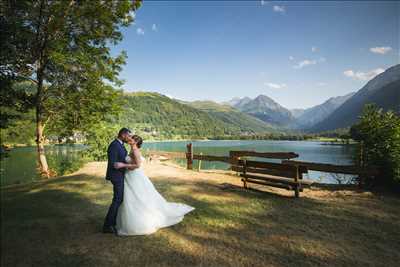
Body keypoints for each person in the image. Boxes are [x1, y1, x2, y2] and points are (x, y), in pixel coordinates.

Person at [116, 135, 195, 236]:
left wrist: (123, 165)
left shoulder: (135, 151)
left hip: (134, 176)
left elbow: (137, 165)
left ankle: (140, 220)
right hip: (130, 176)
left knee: (138, 196)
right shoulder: (132, 149)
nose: (129, 139)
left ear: (135, 142)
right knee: (133, 196)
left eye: (132, 139)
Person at [103, 128, 136, 234]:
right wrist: (125, 165)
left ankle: (113, 222)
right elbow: (113, 163)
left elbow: (122, 159)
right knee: (117, 199)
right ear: (123, 134)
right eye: (128, 136)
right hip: (116, 176)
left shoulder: (120, 145)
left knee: (119, 199)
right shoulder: (114, 145)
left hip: (120, 175)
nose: (129, 138)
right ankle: (108, 225)